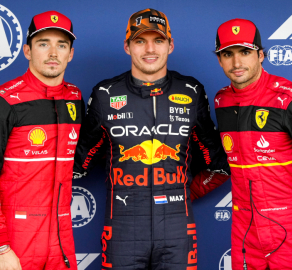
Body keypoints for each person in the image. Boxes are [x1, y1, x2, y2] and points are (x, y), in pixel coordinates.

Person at [73, 8, 230, 270]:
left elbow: (219, 164)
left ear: (170, 45)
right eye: (140, 40)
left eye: (158, 40)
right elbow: (77, 164)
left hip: (177, 229)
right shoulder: (105, 93)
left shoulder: (191, 91)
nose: (150, 49)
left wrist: (183, 193)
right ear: (127, 47)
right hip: (122, 227)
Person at [213, 19, 292, 270]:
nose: (237, 63)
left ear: (261, 55)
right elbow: (225, 162)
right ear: (219, 59)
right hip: (244, 237)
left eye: (245, 52)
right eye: (227, 54)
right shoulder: (222, 101)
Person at [0, 11, 82, 270]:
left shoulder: (74, 98)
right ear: (27, 51)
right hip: (17, 239)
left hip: (62, 237)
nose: (53, 53)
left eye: (61, 45)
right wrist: (0, 245)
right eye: (43, 44)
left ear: (70, 54)